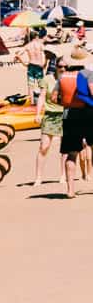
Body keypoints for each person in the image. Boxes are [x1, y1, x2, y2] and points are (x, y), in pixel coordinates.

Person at [55, 48, 93, 198]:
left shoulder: (62, 77)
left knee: (71, 153)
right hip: (88, 112)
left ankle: (70, 190)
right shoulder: (87, 75)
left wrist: (66, 103)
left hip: (69, 114)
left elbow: (54, 98)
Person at [30, 56, 65, 187]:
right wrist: (38, 113)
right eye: (60, 66)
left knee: (65, 148)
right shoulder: (47, 80)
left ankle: (63, 175)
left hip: (65, 116)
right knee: (44, 147)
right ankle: (38, 177)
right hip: (50, 116)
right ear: (55, 66)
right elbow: (42, 97)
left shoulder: (70, 79)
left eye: (65, 67)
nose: (63, 69)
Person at [18, 29, 48, 116]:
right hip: (39, 66)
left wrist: (24, 63)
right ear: (37, 36)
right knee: (42, 85)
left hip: (31, 66)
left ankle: (32, 103)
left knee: (31, 86)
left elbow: (18, 54)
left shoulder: (27, 46)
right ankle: (42, 102)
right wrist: (44, 63)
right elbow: (46, 54)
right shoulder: (40, 45)